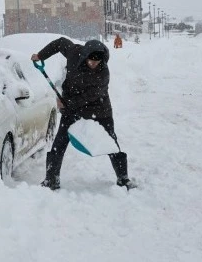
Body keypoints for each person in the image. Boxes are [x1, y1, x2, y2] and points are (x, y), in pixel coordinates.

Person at [30, 37, 136, 191]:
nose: (94, 63)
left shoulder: (103, 73)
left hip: (99, 110)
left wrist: (66, 103)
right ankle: (51, 179)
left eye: (97, 61)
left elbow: (91, 95)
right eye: (91, 60)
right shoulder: (74, 53)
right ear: (85, 55)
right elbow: (59, 43)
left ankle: (123, 178)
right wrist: (41, 55)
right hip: (72, 108)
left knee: (110, 142)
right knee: (59, 143)